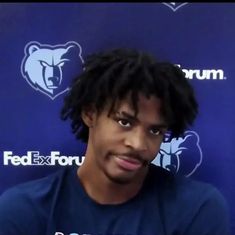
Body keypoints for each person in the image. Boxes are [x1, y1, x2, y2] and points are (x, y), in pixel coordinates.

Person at [0, 48, 230, 235]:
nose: (139, 144)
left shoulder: (197, 208)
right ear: (90, 113)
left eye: (155, 130)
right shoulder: (24, 209)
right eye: (125, 122)